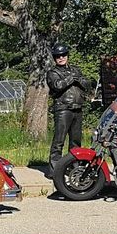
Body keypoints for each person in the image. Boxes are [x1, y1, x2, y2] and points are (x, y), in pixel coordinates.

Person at [46, 43, 93, 177]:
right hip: (63, 109)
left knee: (76, 141)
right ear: (54, 58)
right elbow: (57, 85)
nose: (61, 58)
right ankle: (54, 170)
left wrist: (80, 80)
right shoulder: (53, 72)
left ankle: (74, 167)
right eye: (58, 56)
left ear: (67, 55)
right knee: (58, 141)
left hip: (77, 109)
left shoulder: (76, 70)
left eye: (63, 55)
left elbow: (87, 85)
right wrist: (71, 78)